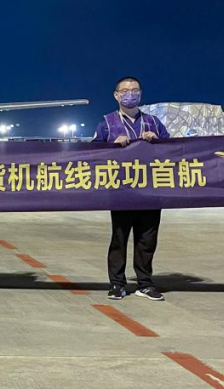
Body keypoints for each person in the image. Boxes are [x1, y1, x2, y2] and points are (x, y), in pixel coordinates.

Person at [92, 76, 170, 302]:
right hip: (121, 191)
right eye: (125, 91)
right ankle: (117, 283)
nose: (130, 94)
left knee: (147, 239)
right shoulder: (107, 123)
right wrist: (112, 145)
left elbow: (172, 150)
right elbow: (92, 153)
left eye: (135, 90)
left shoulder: (153, 122)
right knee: (119, 238)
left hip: (150, 190)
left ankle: (145, 283)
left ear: (141, 94)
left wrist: (158, 141)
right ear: (116, 96)